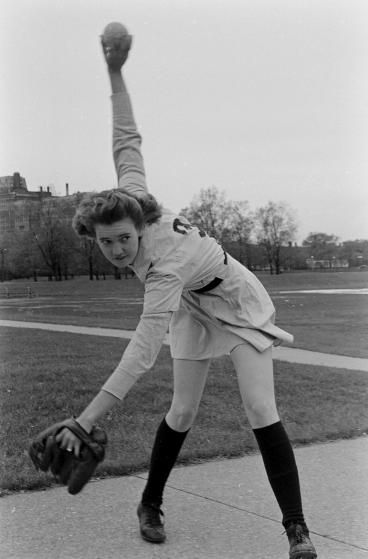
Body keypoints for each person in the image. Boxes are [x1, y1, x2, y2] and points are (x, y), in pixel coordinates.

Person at [56, 29, 317, 559]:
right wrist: (114, 70)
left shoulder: (162, 267)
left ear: (138, 222)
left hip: (236, 299)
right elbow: (126, 139)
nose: (116, 250)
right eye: (105, 243)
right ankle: (150, 503)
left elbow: (140, 352)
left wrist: (85, 421)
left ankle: (297, 530)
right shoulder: (128, 201)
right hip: (193, 306)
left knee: (259, 405)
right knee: (182, 412)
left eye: (124, 239)